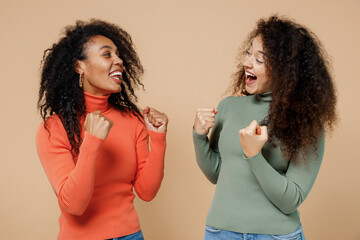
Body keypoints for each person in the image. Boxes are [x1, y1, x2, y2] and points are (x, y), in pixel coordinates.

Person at [193, 15, 337, 240]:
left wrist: (254, 155)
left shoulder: (307, 124)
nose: (247, 63)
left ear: (284, 71)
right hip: (220, 233)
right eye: (249, 53)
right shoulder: (229, 107)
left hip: (276, 236)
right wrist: (199, 136)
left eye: (259, 60)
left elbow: (291, 200)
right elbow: (217, 174)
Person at [36, 19, 168, 240]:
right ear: (80, 66)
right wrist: (91, 142)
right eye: (107, 54)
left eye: (118, 55)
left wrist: (158, 139)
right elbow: (74, 205)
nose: (119, 61)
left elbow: (147, 192)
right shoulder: (54, 129)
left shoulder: (132, 120)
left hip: (131, 235)